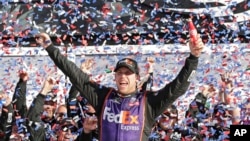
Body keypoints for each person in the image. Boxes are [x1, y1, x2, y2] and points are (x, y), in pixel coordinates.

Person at [35, 32, 204, 141]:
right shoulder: (103, 97)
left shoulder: (148, 102)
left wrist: (194, 58)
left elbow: (179, 87)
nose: (123, 76)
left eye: (128, 73)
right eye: (119, 72)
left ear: (137, 79)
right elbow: (74, 74)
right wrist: (50, 47)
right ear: (115, 76)